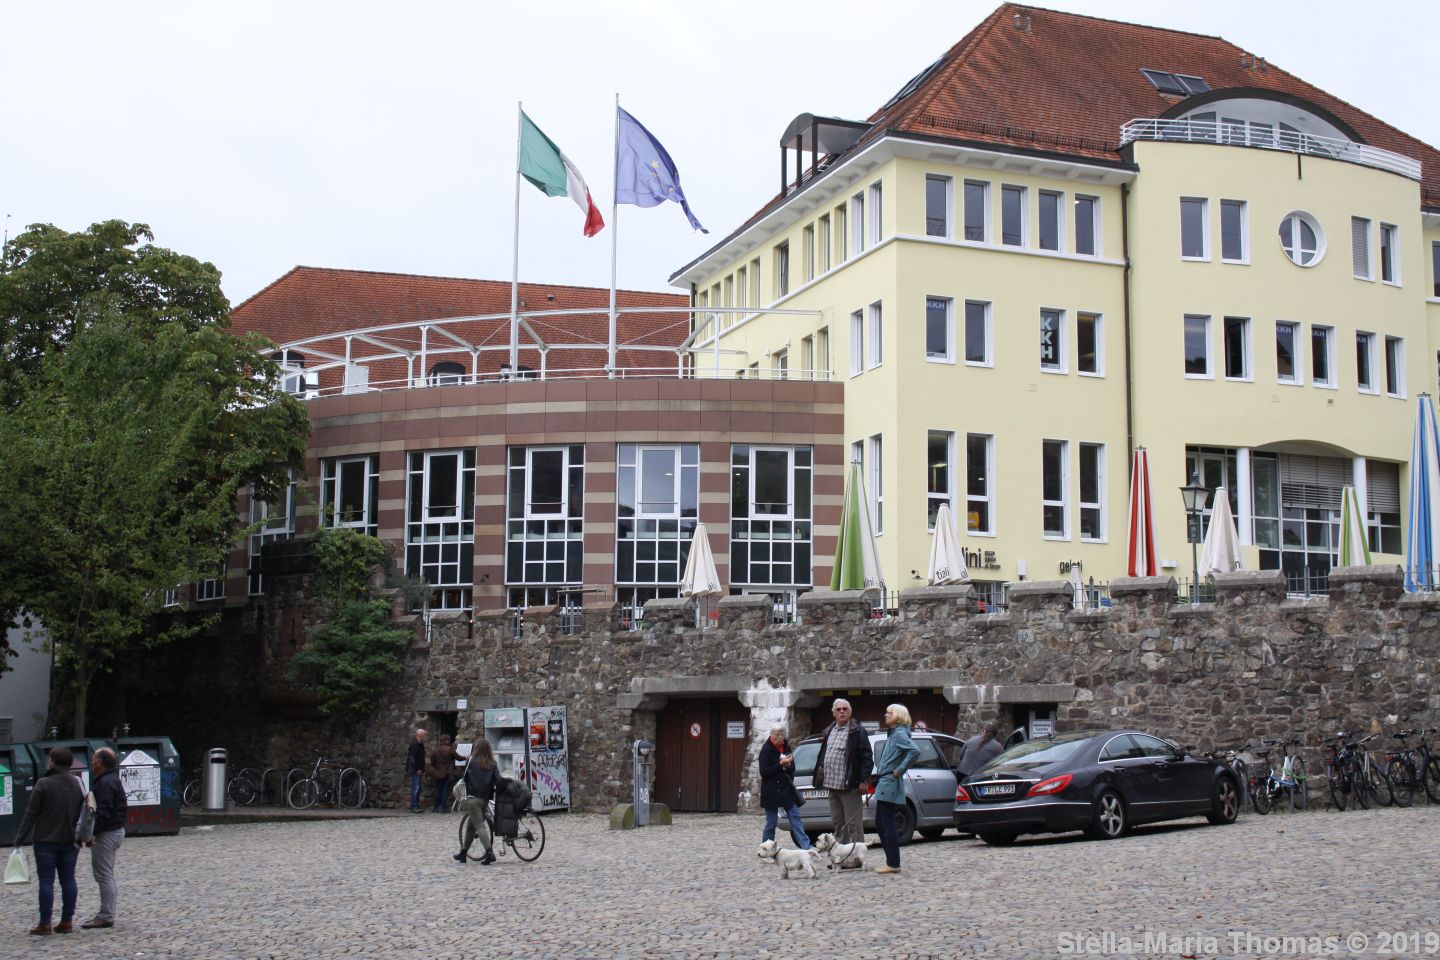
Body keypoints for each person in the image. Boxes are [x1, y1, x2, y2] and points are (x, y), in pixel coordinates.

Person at [15, 746, 85, 935]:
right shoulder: (77, 783)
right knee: (68, 879)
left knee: (46, 881)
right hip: (70, 839)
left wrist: (19, 838)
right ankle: (67, 920)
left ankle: (45, 923)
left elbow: (30, 814)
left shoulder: (43, 783)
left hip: (45, 840)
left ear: (53, 762)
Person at [810, 698, 873, 854]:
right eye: (838, 709)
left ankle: (857, 857)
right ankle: (842, 857)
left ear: (850, 712)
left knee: (853, 825)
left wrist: (864, 780)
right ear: (834, 713)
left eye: (845, 709)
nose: (842, 711)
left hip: (849, 786)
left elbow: (867, 758)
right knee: (839, 824)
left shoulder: (857, 731)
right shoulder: (829, 730)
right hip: (831, 785)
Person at [80, 748, 127, 930]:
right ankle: (106, 914)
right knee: (106, 874)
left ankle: (106, 915)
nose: (91, 762)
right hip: (115, 830)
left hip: (107, 833)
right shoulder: (111, 779)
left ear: (100, 763)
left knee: (104, 875)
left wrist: (92, 834)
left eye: (93, 759)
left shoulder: (105, 783)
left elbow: (104, 812)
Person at [873, 703, 920, 875]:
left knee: (886, 824)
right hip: (885, 781)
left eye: (889, 713)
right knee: (881, 823)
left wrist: (900, 769)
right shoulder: (894, 733)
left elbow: (915, 751)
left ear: (898, 715)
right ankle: (891, 862)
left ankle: (893, 863)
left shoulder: (899, 734)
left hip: (889, 782)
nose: (885, 715)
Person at [757, 723, 811, 851]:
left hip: (786, 789)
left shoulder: (786, 746)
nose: (780, 738)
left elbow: (793, 768)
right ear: (772, 735)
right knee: (771, 823)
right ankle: (766, 849)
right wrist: (781, 765)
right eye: (777, 735)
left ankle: (806, 846)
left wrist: (788, 766)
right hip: (771, 791)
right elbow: (764, 772)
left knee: (795, 818)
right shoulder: (765, 750)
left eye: (782, 735)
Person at [453, 739, 500, 864]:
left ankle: (489, 853)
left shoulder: (471, 761)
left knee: (479, 826)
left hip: (473, 799)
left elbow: (464, 777)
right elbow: (498, 780)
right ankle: (463, 853)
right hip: (485, 800)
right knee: (471, 826)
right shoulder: (492, 763)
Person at [430, 735, 456, 813]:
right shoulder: (450, 749)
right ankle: (442, 807)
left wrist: (436, 767)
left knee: (439, 790)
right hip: (446, 772)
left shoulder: (436, 750)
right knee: (445, 790)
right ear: (447, 740)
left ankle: (436, 807)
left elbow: (432, 761)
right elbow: (458, 757)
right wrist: (466, 757)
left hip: (438, 773)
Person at [406, 728, 428, 813]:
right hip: (415, 770)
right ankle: (414, 805)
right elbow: (412, 758)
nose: (425, 737)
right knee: (415, 787)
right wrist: (417, 768)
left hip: (419, 770)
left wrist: (423, 769)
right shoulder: (414, 745)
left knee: (418, 788)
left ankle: (416, 804)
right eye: (425, 735)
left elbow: (421, 758)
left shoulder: (420, 745)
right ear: (420, 735)